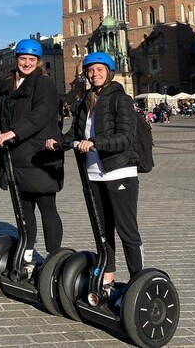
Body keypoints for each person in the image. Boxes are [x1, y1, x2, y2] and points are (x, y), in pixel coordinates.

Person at [45, 52, 143, 288]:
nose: (94, 74)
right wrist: (56, 141)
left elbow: (126, 137)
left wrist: (96, 142)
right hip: (93, 173)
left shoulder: (121, 99)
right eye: (90, 70)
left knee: (126, 229)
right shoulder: (85, 101)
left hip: (120, 172)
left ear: (109, 72)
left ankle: (138, 279)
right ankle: (108, 275)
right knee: (102, 228)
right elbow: (75, 135)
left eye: (100, 70)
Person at [0, 38, 64, 269]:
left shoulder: (44, 84)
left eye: (31, 59)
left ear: (38, 62)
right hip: (15, 157)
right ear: (16, 60)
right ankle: (27, 253)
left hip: (39, 156)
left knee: (46, 207)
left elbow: (40, 114)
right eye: (22, 58)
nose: (26, 63)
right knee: (23, 211)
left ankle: (54, 258)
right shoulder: (7, 85)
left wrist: (13, 132)